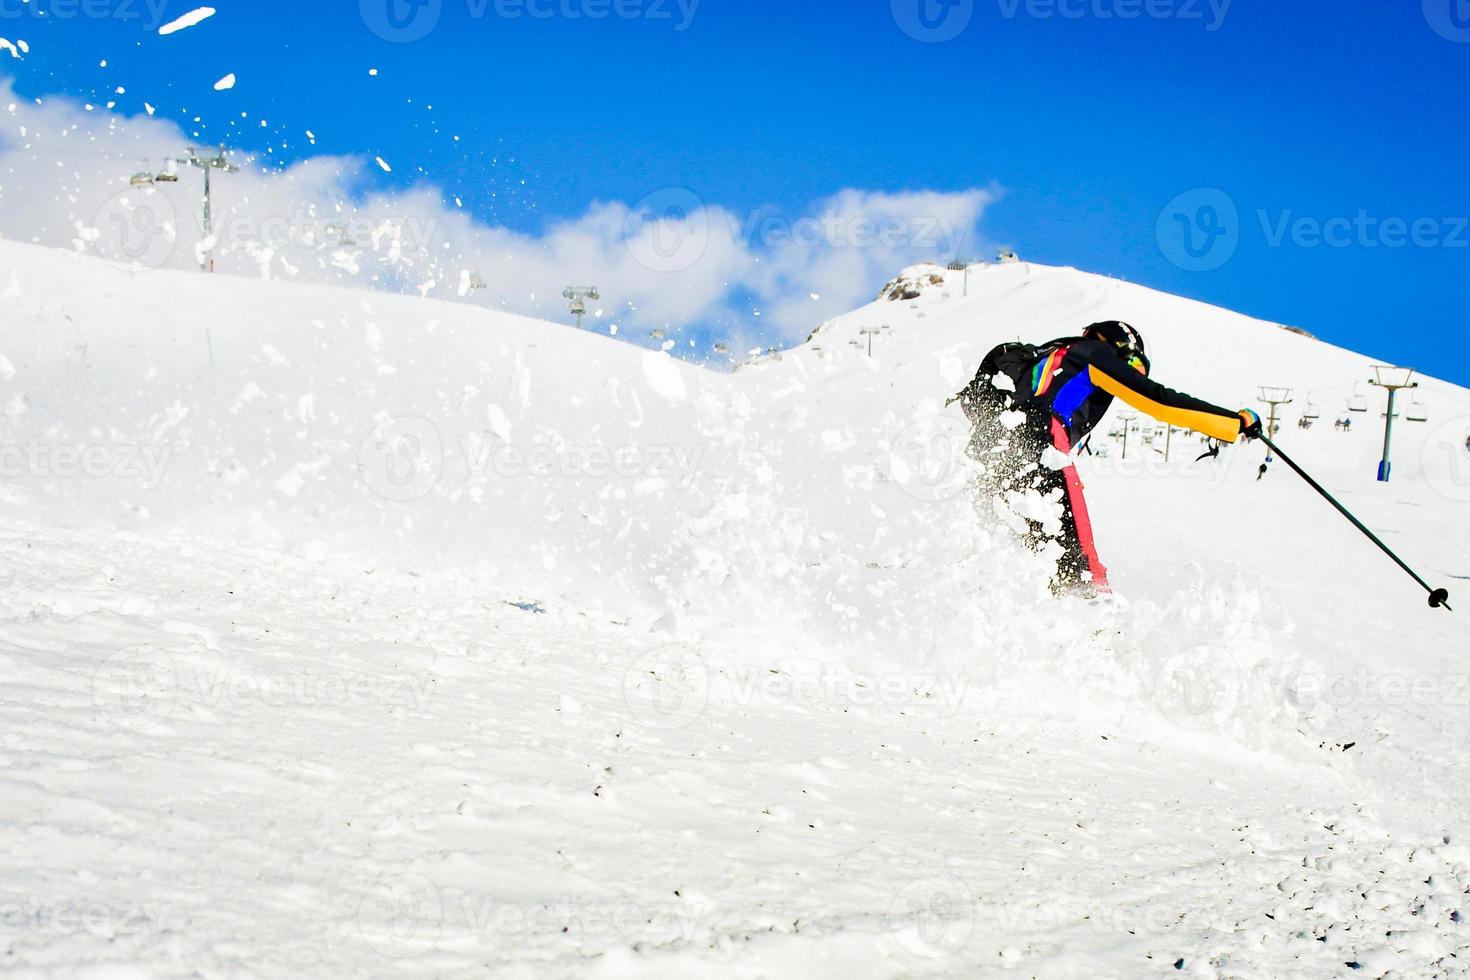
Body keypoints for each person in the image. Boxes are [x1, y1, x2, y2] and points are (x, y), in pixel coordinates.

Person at [956, 321, 1261, 595]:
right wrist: (1232, 423)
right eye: (1131, 367)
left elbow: (1000, 358)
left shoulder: (1042, 358)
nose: (1127, 377)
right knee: (1078, 565)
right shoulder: (1093, 355)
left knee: (1032, 556)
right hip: (1042, 447)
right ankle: (1094, 630)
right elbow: (1158, 401)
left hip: (995, 455)